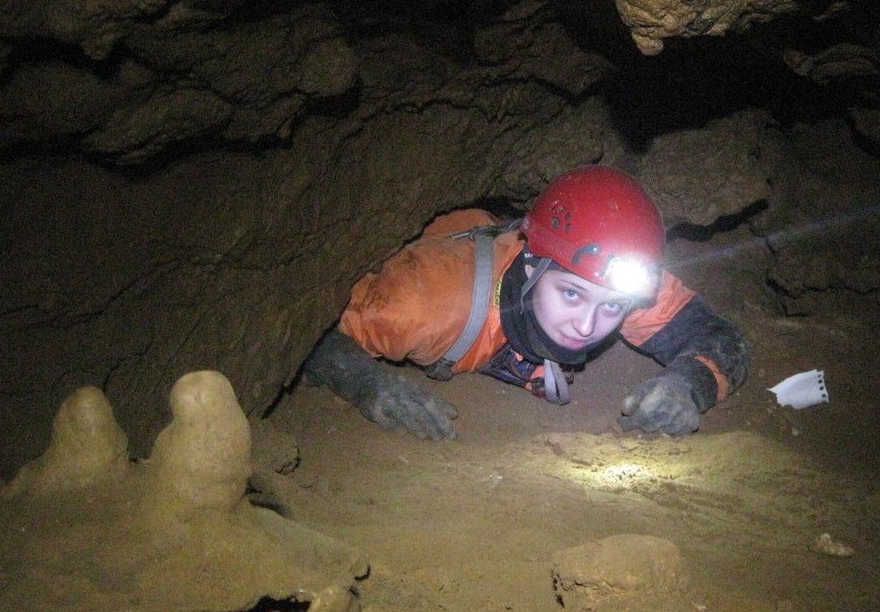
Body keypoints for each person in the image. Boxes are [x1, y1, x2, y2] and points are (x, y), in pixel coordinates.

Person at [303, 165, 751, 440]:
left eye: (612, 308)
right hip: (434, 261)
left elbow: (721, 338)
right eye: (571, 294)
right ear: (532, 263)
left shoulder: (612, 277)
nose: (586, 326)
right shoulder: (425, 305)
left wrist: (688, 385)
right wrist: (367, 384)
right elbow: (309, 335)